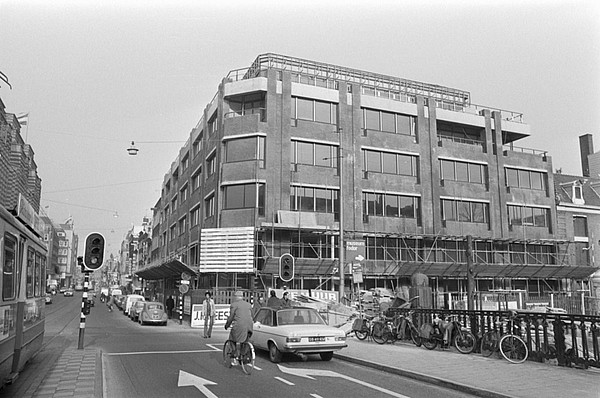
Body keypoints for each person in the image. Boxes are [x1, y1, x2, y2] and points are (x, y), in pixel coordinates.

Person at [224, 291, 253, 366]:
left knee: (232, 338)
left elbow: (231, 317)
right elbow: (250, 316)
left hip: (239, 326)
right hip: (249, 326)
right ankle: (243, 355)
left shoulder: (234, 305)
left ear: (236, 297)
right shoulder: (248, 305)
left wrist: (227, 325)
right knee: (245, 340)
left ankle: (234, 356)